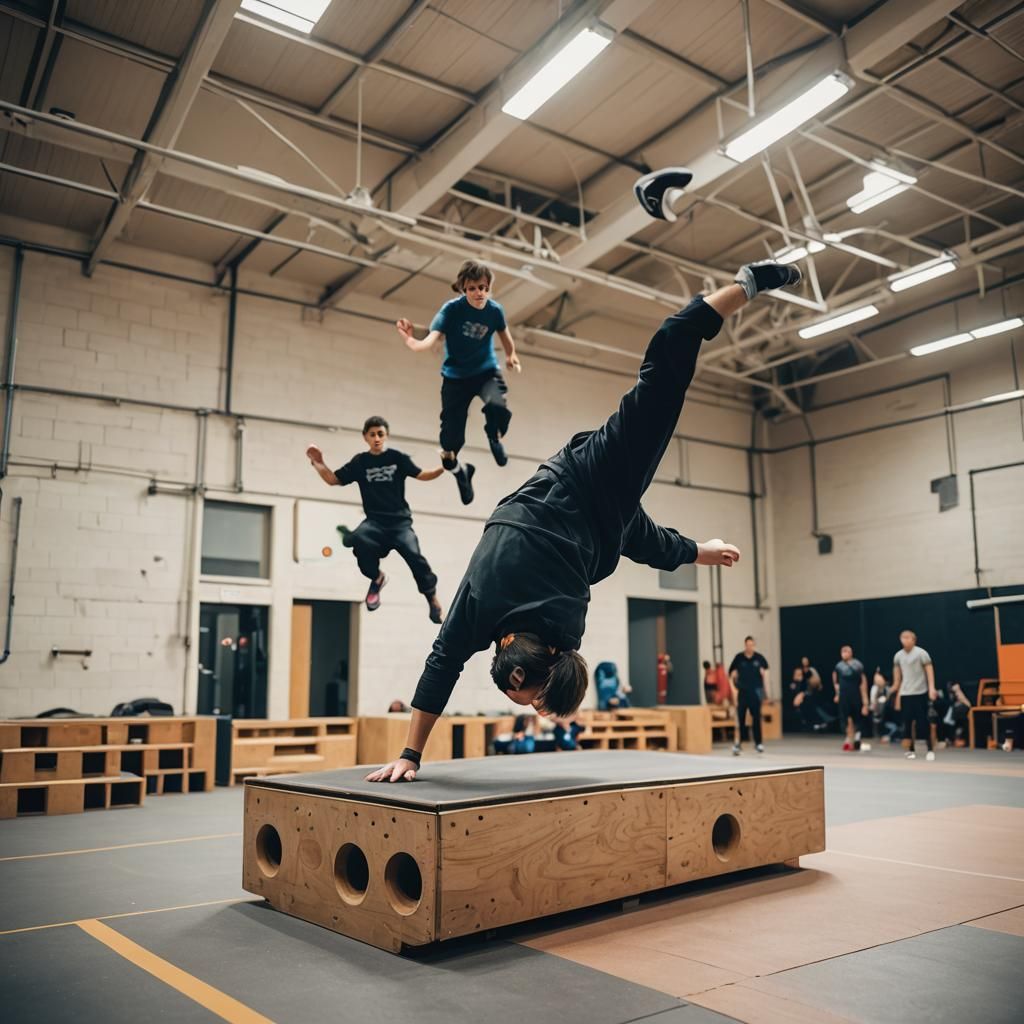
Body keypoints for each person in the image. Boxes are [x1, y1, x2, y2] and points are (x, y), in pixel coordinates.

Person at [364, 181, 802, 782]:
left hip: (598, 508)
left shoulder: (564, 635)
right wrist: (410, 754)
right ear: (512, 661)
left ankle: (744, 286)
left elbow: (635, 540)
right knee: (664, 368)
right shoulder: (484, 604)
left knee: (662, 383)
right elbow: (442, 662)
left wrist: (697, 553)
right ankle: (742, 286)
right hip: (591, 495)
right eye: (523, 696)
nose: (520, 700)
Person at [396, 260, 521, 505]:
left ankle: (494, 437)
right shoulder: (451, 310)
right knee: (449, 447)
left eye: (483, 288)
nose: (479, 293)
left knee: (498, 405)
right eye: (472, 288)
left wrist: (511, 355)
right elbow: (429, 341)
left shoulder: (495, 311)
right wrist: (411, 340)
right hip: (456, 378)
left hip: (485, 372)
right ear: (464, 289)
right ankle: (461, 472)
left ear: (489, 288)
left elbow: (505, 335)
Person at [306, 417, 445, 622]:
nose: (377, 438)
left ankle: (431, 597)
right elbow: (333, 480)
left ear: (386, 435)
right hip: (374, 523)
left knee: (415, 557)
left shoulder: (397, 458)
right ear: (365, 437)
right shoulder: (361, 462)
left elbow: (423, 474)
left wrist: (443, 467)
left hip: (400, 524)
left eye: (380, 434)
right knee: (359, 540)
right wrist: (318, 463)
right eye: (372, 435)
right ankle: (377, 577)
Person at [891, 629, 937, 761]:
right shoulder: (898, 656)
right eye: (902, 637)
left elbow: (929, 671)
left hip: (920, 692)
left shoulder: (921, 653)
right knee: (907, 723)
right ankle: (910, 750)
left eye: (908, 637)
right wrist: (895, 694)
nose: (905, 640)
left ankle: (930, 749)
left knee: (923, 722)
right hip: (906, 694)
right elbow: (897, 679)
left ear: (913, 639)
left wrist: (931, 688)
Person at [729, 635, 770, 755]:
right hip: (742, 692)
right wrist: (734, 686)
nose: (749, 647)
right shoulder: (739, 658)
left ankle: (758, 743)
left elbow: (766, 675)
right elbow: (731, 673)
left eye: (751, 645)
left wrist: (766, 694)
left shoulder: (759, 658)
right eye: (747, 645)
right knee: (741, 717)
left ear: (754, 645)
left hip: (755, 692)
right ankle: (739, 743)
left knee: (756, 718)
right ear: (745, 645)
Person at [833, 644, 869, 752]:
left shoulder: (857, 665)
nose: (844, 654)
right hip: (844, 695)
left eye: (846, 651)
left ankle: (857, 738)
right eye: (842, 651)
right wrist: (837, 694)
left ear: (851, 653)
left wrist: (865, 701)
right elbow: (836, 682)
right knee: (846, 718)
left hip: (855, 695)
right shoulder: (839, 666)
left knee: (857, 717)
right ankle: (848, 739)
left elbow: (863, 682)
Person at [869, 669, 900, 743]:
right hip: (876, 715)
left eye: (879, 678)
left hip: (887, 717)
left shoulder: (887, 689)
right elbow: (872, 702)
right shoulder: (874, 688)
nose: (877, 680)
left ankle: (887, 736)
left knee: (893, 728)